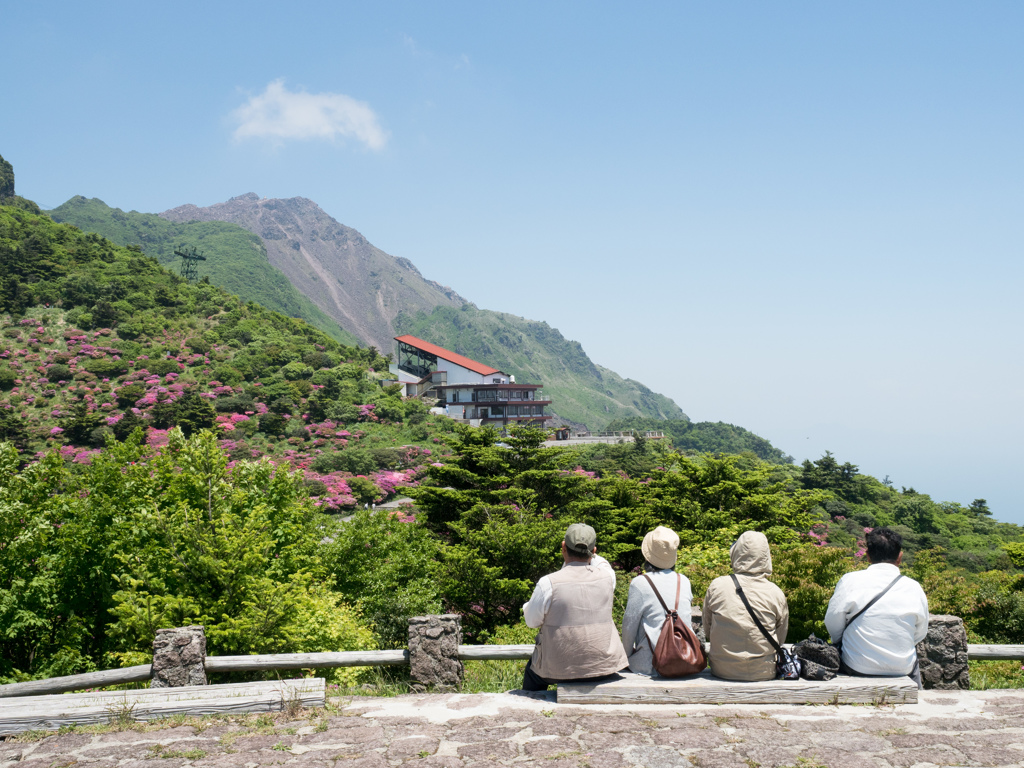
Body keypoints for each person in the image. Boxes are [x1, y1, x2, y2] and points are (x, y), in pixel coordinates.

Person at [520, 523, 628, 691]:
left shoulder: (548, 583)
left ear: (564, 547)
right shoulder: (608, 577)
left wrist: (528, 606)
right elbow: (602, 563)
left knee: (532, 673)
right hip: (604, 666)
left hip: (557, 669)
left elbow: (531, 622)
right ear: (594, 551)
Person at [824, 527, 929, 687]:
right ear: (899, 557)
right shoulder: (914, 587)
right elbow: (920, 633)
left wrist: (843, 641)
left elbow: (832, 623)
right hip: (902, 668)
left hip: (856, 665)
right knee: (913, 665)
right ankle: (918, 701)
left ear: (868, 556)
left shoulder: (850, 581)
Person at [702, 530, 789, 681]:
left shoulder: (717, 586)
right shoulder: (775, 592)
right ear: (766, 558)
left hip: (722, 669)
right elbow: (780, 637)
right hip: (763, 671)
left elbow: (708, 629)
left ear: (736, 554)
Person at [620, 526, 693, 675]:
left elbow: (629, 627)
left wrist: (625, 657)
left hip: (650, 666)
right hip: (685, 659)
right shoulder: (684, 581)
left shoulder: (640, 583)